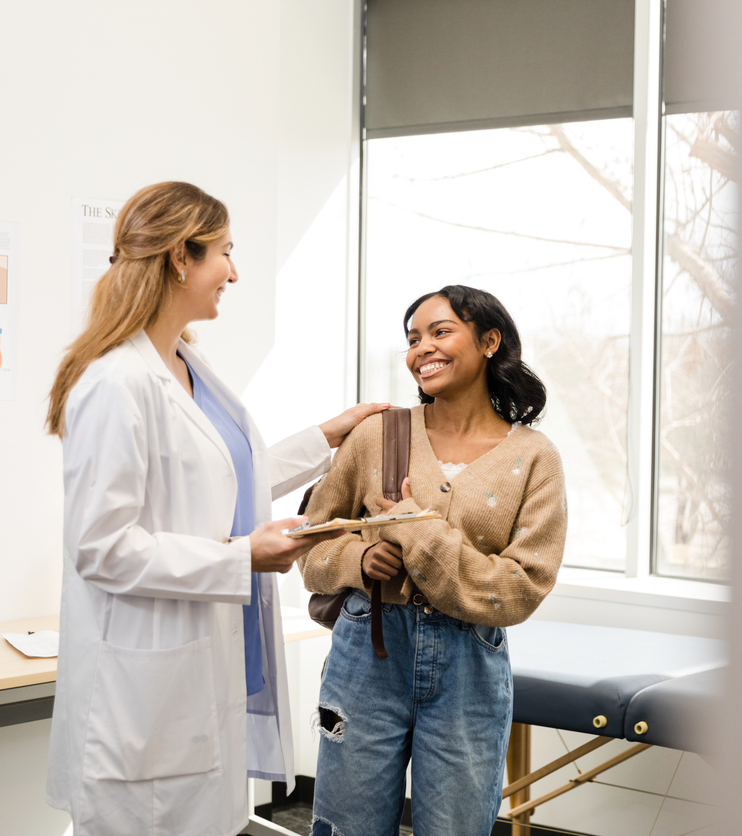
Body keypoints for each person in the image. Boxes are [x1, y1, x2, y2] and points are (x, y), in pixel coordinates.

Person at [43, 181, 385, 836]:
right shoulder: (116, 382)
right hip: (143, 696)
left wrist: (326, 438)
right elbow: (100, 547)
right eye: (225, 252)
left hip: (202, 671)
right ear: (181, 257)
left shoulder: (185, 362)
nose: (235, 270)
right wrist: (242, 558)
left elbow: (229, 476)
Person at [298, 285, 568, 836]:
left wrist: (415, 527)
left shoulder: (534, 457)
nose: (422, 348)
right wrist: (358, 556)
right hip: (365, 653)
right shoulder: (379, 435)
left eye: (440, 332)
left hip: (470, 661)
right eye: (413, 339)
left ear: (490, 341)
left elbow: (519, 589)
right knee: (347, 827)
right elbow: (312, 543)